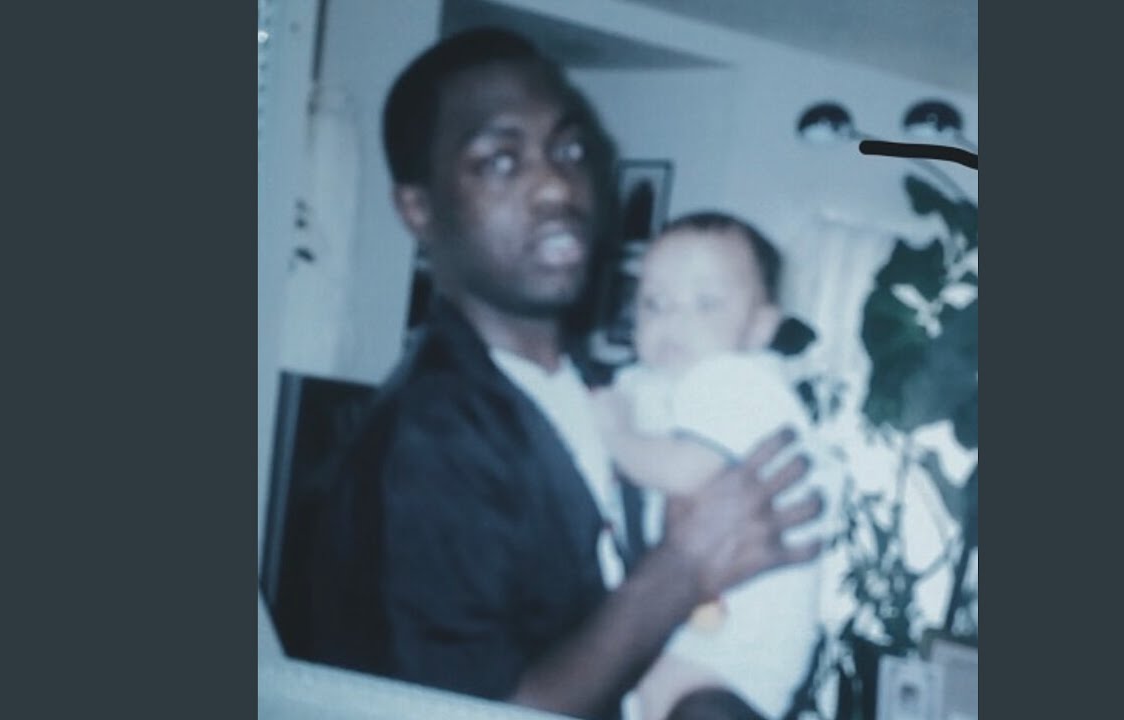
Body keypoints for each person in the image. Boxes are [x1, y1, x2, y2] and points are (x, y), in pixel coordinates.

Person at [302, 28, 825, 720]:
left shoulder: (604, 389)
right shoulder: (430, 439)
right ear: (419, 209)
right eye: (500, 160)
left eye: (570, 150)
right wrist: (684, 566)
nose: (555, 184)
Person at [592, 212, 842, 720]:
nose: (673, 319)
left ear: (759, 328)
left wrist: (615, 436)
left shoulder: (741, 381)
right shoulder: (653, 382)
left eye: (706, 303)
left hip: (737, 658)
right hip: (677, 646)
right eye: (654, 302)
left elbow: (687, 471)